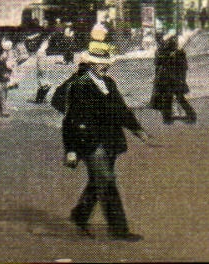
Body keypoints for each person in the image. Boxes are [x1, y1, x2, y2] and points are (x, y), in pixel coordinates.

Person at [51, 36, 146, 241]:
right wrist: (71, 150)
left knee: (98, 180)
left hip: (110, 141)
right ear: (90, 64)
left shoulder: (109, 83)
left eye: (106, 63)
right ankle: (119, 230)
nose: (104, 67)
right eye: (99, 63)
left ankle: (80, 214)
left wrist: (137, 129)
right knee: (107, 181)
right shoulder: (79, 85)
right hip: (90, 143)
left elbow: (121, 109)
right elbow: (71, 120)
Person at [151, 33, 197, 124]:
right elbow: (157, 63)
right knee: (170, 97)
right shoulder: (162, 51)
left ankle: (189, 115)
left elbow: (183, 67)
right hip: (167, 78)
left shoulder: (179, 53)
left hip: (174, 78)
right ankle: (168, 117)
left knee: (175, 97)